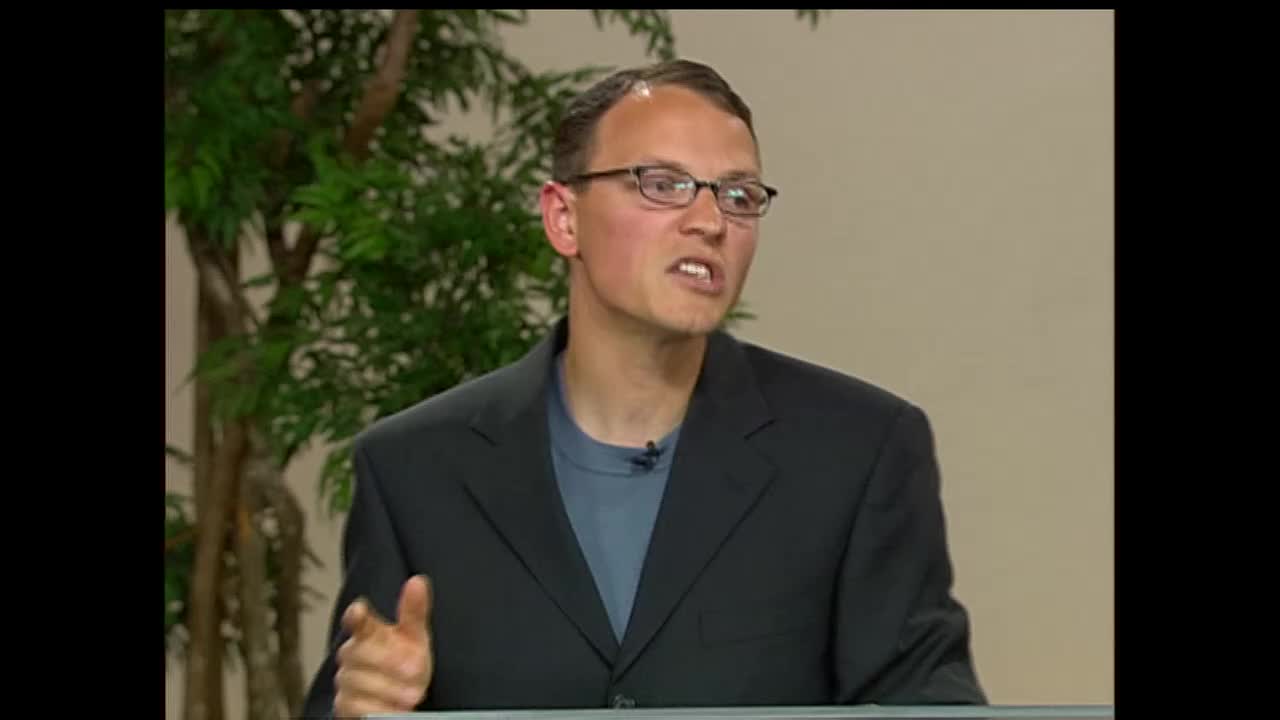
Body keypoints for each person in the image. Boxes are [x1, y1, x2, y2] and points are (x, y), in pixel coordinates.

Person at [302, 58, 985, 718]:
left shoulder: (856, 452)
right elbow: (357, 694)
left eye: (739, 196)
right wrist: (365, 709)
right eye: (663, 184)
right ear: (563, 218)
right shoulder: (414, 469)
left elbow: (927, 702)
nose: (710, 222)